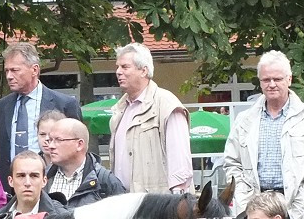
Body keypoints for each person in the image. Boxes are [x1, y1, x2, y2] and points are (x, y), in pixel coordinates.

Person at [224, 51, 304, 219]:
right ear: (260, 82)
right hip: (255, 205)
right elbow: (231, 161)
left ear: (289, 79)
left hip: (295, 207)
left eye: (277, 78)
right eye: (266, 79)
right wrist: (244, 194)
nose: (272, 84)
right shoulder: (245, 120)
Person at [0, 41, 82, 182]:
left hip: (54, 185)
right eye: (7, 71)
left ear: (34, 70)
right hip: (11, 189)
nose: (8, 76)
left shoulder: (64, 104)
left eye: (15, 70)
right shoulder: (1, 107)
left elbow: (78, 151)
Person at [109, 42, 193, 194]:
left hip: (158, 205)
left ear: (143, 70)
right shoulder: (120, 108)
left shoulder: (167, 104)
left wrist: (178, 200)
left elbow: (180, 162)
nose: (118, 72)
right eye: (117, 67)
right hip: (124, 203)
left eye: (125, 67)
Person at [43, 117, 125, 208]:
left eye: (58, 140)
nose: (50, 146)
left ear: (79, 144)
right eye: (50, 140)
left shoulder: (105, 181)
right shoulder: (41, 177)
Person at [0, 151, 66, 218]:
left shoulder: (61, 218)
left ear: (44, 181)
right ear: (11, 181)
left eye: (34, 176)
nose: (27, 183)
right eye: (21, 176)